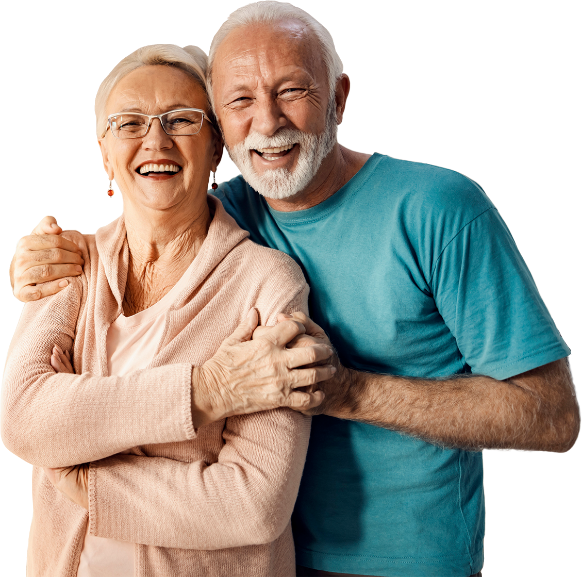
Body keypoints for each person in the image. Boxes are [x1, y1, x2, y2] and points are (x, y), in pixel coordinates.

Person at [7, 2, 580, 577]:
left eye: (293, 91)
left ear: (339, 97)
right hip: (260, 560)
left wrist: (346, 391)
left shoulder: (439, 210)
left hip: (405, 560)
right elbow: (146, 214)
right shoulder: (226, 210)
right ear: (222, 129)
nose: (267, 122)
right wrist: (36, 265)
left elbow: (551, 416)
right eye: (240, 101)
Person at [0, 42, 338, 577]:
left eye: (181, 120)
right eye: (129, 123)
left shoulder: (267, 282)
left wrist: (87, 482)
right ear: (104, 149)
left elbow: (252, 504)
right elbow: (23, 420)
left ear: (215, 147)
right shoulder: (69, 262)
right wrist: (209, 390)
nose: (155, 140)